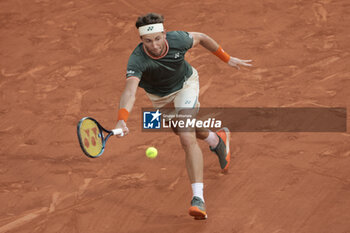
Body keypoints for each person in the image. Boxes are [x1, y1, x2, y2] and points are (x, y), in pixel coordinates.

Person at [115, 13, 252, 220]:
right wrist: (122, 119)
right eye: (148, 41)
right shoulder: (137, 60)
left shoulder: (178, 39)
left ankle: (198, 199)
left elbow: (203, 37)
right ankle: (217, 139)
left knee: (186, 136)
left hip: (186, 85)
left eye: (158, 38)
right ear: (141, 40)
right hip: (161, 98)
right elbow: (129, 92)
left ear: (164, 33)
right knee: (179, 128)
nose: (154, 45)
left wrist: (227, 58)